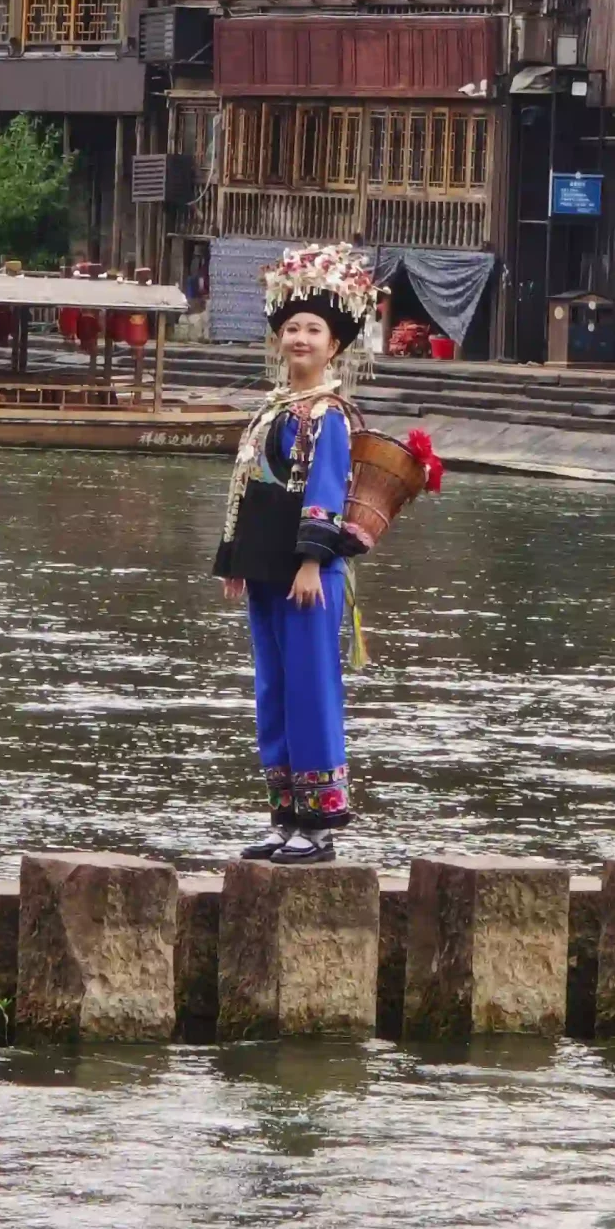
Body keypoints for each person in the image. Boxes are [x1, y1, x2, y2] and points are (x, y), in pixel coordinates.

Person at [214, 244, 376, 862]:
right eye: (292, 328)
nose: (300, 338)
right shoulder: (274, 409)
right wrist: (237, 561)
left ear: (334, 346)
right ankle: (284, 816)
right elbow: (249, 488)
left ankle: (320, 826)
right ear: (279, 340)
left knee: (311, 690)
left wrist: (311, 562)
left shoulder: (329, 414)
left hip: (308, 573)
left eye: (313, 330)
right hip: (267, 571)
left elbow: (324, 493)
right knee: (273, 690)